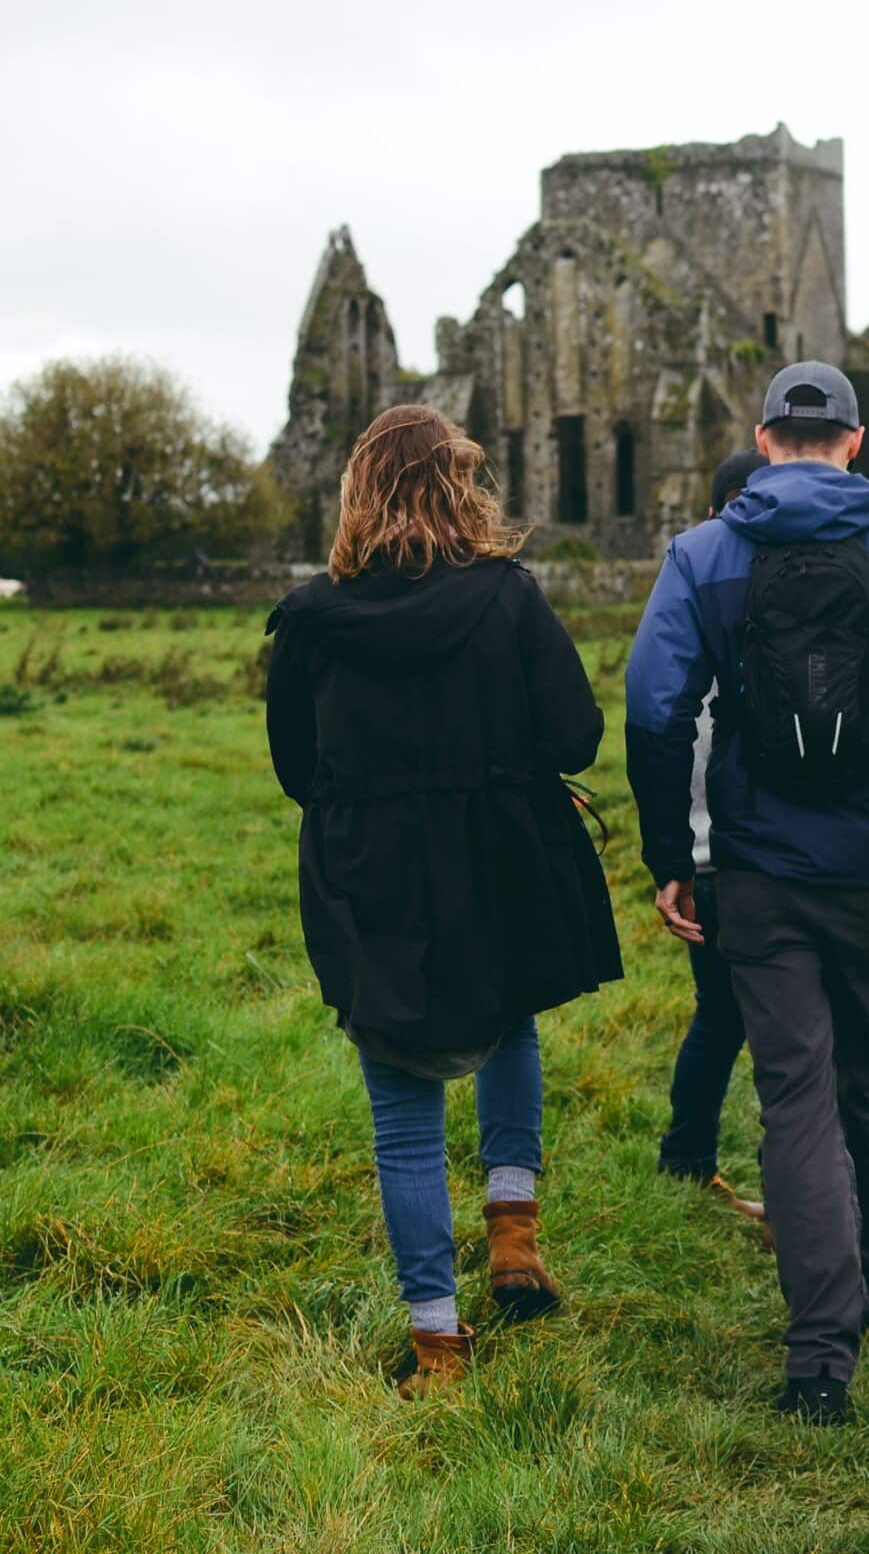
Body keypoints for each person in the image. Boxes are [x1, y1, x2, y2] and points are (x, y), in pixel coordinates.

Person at [625, 362, 869, 1425]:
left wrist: (669, 857)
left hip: (759, 870)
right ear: (855, 441)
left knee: (793, 1103)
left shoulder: (704, 552)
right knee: (867, 1085)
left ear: (762, 434)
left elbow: (654, 711)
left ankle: (819, 1359)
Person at [265, 404, 621, 1398]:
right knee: (510, 1017)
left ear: (359, 491)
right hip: (500, 852)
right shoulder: (506, 595)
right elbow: (574, 733)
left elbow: (297, 765)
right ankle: (514, 1239)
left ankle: (437, 1341)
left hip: (372, 870)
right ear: (459, 483)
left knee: (403, 1110)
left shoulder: (308, 617)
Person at [655, 449, 770, 1223]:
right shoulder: (764, 605)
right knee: (785, 1029)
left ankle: (685, 1160)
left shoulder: (691, 594)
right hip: (760, 854)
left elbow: (658, 726)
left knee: (722, 1015)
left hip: (709, 852)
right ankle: (797, 1186)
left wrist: (675, 854)